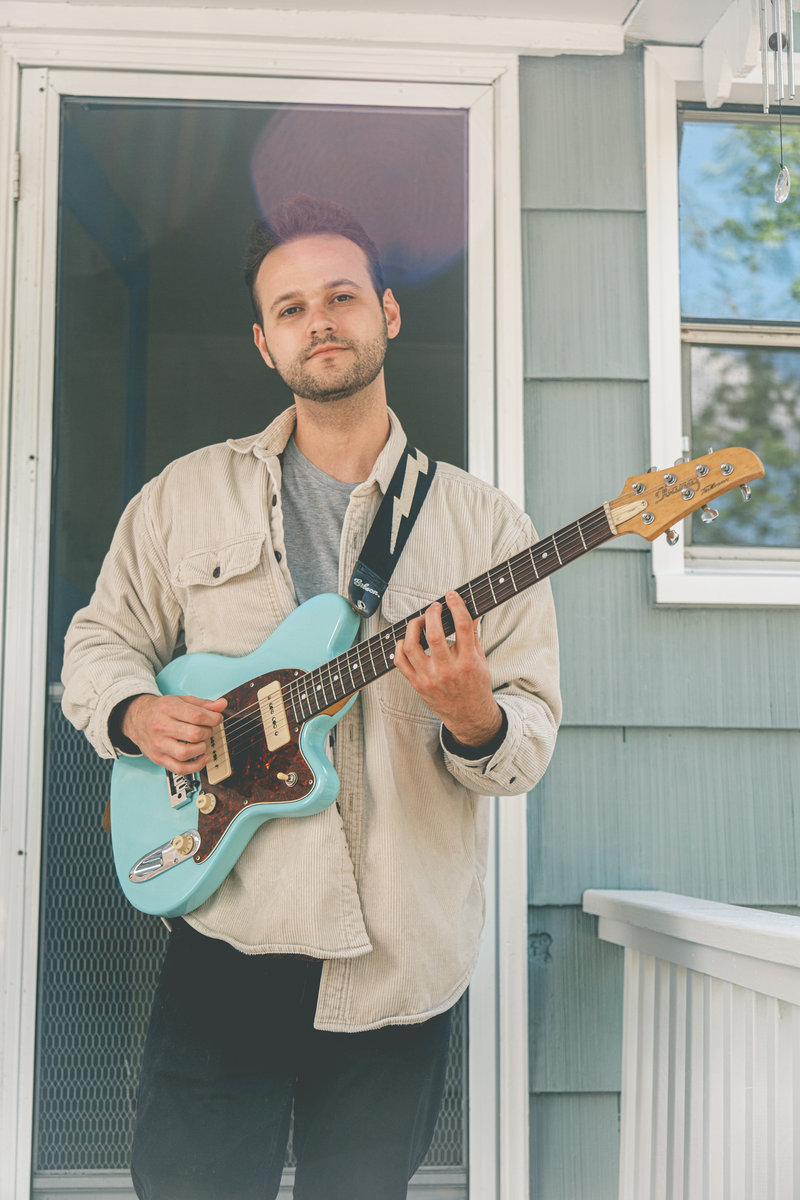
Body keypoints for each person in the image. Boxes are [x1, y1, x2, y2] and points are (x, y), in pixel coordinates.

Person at [61, 195, 561, 1200]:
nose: (318, 320)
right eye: (289, 308)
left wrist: (472, 713)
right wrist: (133, 713)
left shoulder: (485, 529)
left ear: (388, 313)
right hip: (227, 938)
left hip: (399, 958)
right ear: (263, 341)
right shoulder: (182, 497)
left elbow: (527, 738)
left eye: (341, 297)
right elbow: (98, 641)